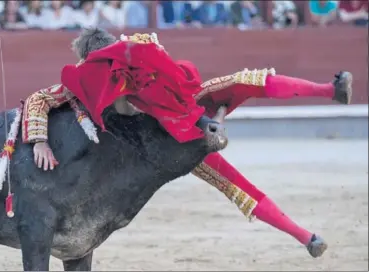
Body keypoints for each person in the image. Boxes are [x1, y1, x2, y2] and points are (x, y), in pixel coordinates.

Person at [21, 28, 352, 258]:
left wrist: (38, 141)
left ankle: (307, 237)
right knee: (247, 81)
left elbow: (39, 98)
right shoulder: (139, 46)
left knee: (236, 186)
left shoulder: (89, 76)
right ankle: (329, 90)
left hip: (176, 142)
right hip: (192, 109)